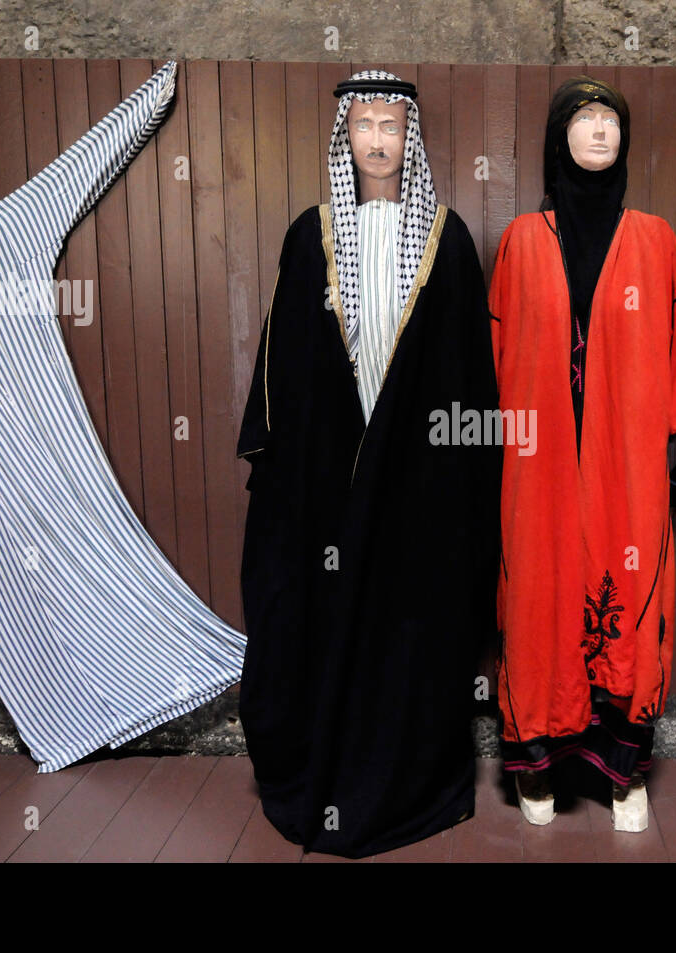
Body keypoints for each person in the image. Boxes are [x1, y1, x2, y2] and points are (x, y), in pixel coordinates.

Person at [236, 70, 501, 858]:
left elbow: (466, 378)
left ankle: (407, 779)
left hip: (418, 485)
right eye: (365, 126)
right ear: (345, 137)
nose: (379, 140)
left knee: (408, 623)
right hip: (328, 483)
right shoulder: (307, 235)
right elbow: (285, 372)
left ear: (410, 137)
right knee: (323, 619)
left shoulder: (446, 239)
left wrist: (454, 474)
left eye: (392, 125)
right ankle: (328, 770)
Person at [488, 76, 676, 831]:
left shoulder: (656, 239)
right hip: (538, 463)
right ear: (559, 138)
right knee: (538, 594)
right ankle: (537, 766)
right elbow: (495, 358)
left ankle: (623, 773)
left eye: (610, 118)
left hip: (626, 460)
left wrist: (644, 432)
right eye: (583, 118)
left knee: (628, 594)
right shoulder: (521, 241)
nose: (599, 130)